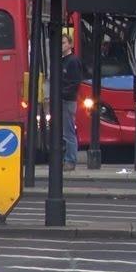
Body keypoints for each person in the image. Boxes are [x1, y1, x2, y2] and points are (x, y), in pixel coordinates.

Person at [61, 34, 83, 171]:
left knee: (68, 132)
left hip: (68, 100)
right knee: (64, 131)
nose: (61, 45)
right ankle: (66, 159)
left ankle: (70, 160)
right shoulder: (62, 60)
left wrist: (62, 93)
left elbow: (75, 83)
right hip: (62, 100)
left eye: (63, 43)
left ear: (70, 44)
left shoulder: (73, 61)